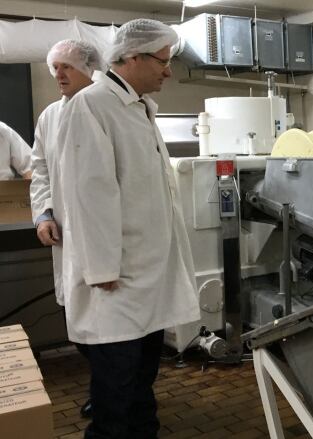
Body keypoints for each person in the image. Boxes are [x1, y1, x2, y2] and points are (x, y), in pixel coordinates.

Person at [56, 19, 200, 439]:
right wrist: (102, 270)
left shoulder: (137, 107)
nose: (168, 71)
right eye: (163, 61)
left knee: (140, 387)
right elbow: (89, 198)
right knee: (116, 395)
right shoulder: (94, 106)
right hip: (114, 286)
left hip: (146, 282)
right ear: (133, 58)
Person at [29, 39, 105, 419]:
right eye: (54, 67)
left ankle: (124, 397)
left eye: (67, 67)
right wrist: (43, 214)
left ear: (89, 68)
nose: (58, 74)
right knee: (79, 323)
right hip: (67, 237)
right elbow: (40, 169)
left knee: (113, 329)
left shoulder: (109, 109)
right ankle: (107, 392)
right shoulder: (50, 117)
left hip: (106, 239)